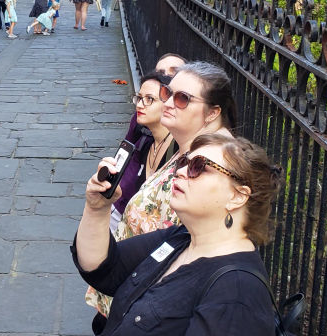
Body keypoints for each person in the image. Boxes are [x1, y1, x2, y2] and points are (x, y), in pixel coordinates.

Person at [58, 132, 282, 336]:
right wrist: (97, 209)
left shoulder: (237, 296)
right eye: (183, 161)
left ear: (237, 196)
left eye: (198, 166)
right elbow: (103, 269)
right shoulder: (179, 240)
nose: (179, 170)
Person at [87, 61, 237, 318]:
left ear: (212, 113)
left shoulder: (212, 164)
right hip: (132, 292)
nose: (167, 102)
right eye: (168, 93)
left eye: (182, 99)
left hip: (149, 307)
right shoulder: (188, 148)